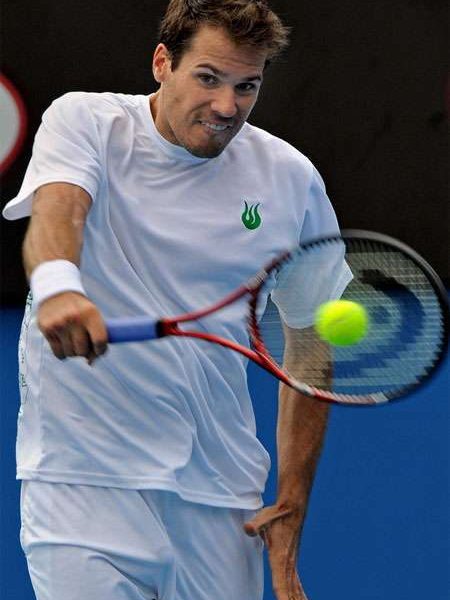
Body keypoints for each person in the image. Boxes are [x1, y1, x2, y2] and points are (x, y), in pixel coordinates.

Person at [3, 1, 351, 599]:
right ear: (162, 63)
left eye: (247, 86)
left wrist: (292, 504)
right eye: (208, 78)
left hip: (222, 497)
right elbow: (60, 209)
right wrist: (60, 287)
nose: (226, 106)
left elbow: (311, 342)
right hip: (82, 480)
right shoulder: (86, 121)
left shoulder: (290, 178)